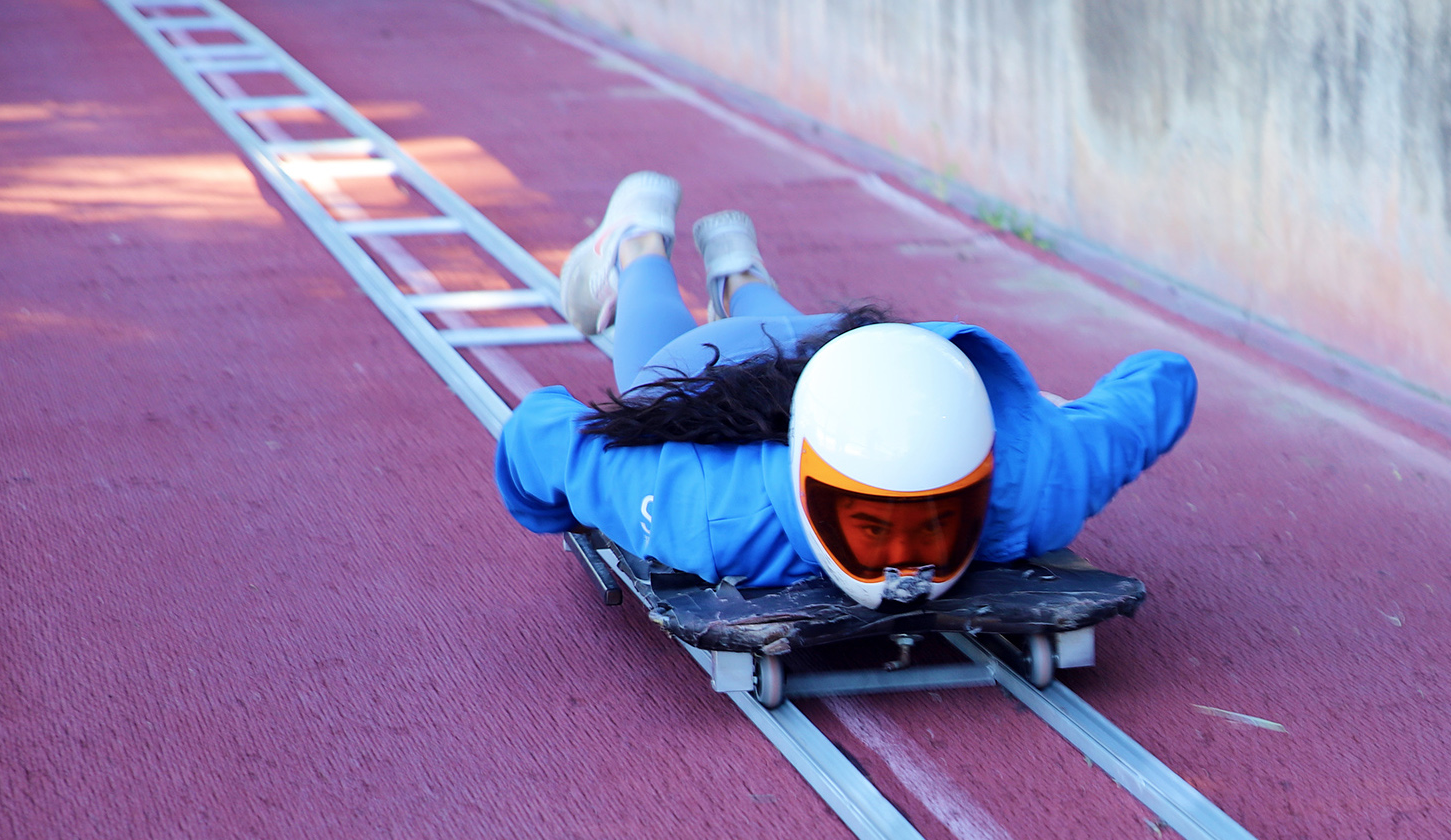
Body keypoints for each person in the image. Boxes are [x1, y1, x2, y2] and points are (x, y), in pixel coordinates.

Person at [493, 171, 1196, 607]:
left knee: (795, 335)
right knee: (657, 382)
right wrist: (559, 503)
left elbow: (1161, 387)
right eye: (871, 524)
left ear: (984, 480)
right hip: (715, 369)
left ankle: (736, 272)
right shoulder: (709, 508)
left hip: (840, 347)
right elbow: (546, 432)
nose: (905, 560)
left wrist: (1041, 430)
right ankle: (638, 241)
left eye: (937, 521)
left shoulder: (1034, 481)